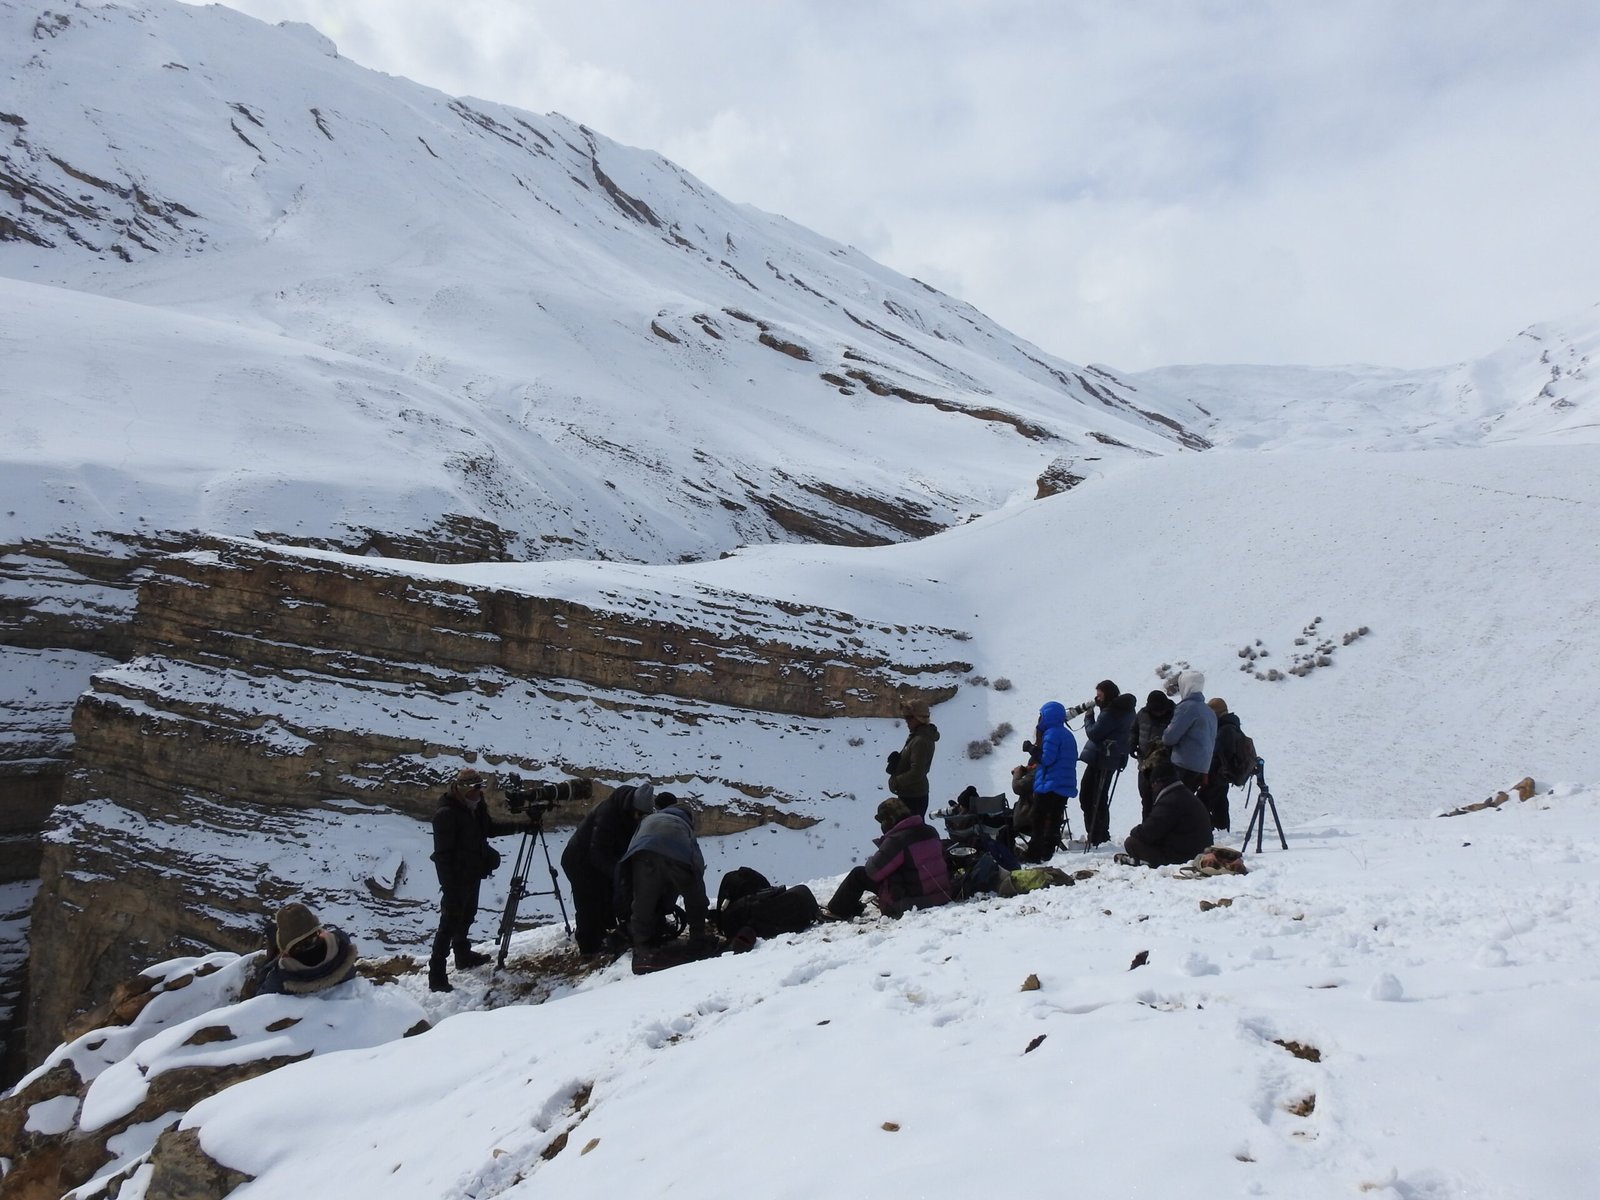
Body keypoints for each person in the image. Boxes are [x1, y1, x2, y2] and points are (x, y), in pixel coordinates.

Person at [428, 766, 519, 992]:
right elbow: (442, 856)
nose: (479, 794)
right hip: (455, 878)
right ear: (462, 790)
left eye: (480, 789)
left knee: (468, 914)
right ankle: (436, 975)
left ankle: (462, 955)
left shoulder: (476, 807)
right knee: (448, 924)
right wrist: (449, 888)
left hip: (472, 872)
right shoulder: (446, 814)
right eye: (475, 790)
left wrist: (522, 826)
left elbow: (489, 829)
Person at [560, 780, 655, 956]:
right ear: (632, 807)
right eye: (639, 814)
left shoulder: (631, 811)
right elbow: (597, 852)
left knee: (607, 895)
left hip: (603, 858)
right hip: (579, 859)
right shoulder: (608, 815)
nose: (640, 818)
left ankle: (604, 934)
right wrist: (619, 872)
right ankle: (589, 948)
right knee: (589, 902)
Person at [826, 797, 953, 919]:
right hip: (941, 895)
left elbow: (873, 872)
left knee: (858, 874)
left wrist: (881, 849)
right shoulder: (931, 831)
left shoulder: (896, 840)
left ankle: (837, 910)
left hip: (912, 903)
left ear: (889, 820)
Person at [615, 792, 711, 951]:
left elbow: (632, 847)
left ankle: (642, 945)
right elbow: (696, 860)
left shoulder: (649, 819)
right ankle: (698, 938)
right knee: (693, 896)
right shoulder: (683, 823)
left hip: (643, 853)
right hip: (678, 854)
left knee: (642, 902)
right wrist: (696, 884)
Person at [1077, 680, 1136, 847]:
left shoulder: (1111, 712)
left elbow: (1094, 733)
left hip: (1101, 757)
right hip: (1113, 758)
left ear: (1107, 695)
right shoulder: (1127, 710)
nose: (1097, 699)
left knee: (1089, 797)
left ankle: (1096, 836)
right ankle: (1101, 834)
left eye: (1100, 695)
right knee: (1100, 797)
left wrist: (1089, 717)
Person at [1120, 764, 1213, 867]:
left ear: (1158, 783)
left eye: (1153, 785)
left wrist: (1134, 831)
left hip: (1184, 856)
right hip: (1198, 851)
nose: (1152, 789)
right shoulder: (1182, 794)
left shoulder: (1169, 801)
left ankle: (1149, 862)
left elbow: (1148, 832)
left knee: (1131, 843)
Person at [258, 902, 358, 996]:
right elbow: (335, 935)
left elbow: (259, 999)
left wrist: (270, 961)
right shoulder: (341, 943)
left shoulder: (279, 979)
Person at [1021, 701, 1076, 861]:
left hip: (1050, 783)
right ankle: (1048, 852)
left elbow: (1047, 759)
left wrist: (1031, 749)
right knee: (1054, 820)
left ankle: (1034, 854)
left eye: (1042, 715)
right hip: (1064, 784)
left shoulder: (1052, 733)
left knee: (1038, 819)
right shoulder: (1066, 734)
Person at [1161, 669, 1217, 791]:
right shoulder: (1210, 712)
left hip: (1183, 764)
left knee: (1173, 799)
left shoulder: (1187, 707)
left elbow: (1169, 738)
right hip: (1201, 768)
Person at [885, 696, 939, 817]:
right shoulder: (918, 736)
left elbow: (917, 772)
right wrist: (899, 761)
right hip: (912, 794)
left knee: (911, 827)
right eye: (905, 717)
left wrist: (896, 781)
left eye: (909, 717)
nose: (906, 721)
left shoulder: (920, 740)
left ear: (919, 718)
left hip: (913, 797)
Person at [1129, 689, 1176, 822]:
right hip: (1145, 765)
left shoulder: (1174, 716)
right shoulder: (1142, 714)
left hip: (1164, 766)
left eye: (1160, 710)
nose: (1158, 713)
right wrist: (1132, 744)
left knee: (1162, 801)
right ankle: (1147, 828)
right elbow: (1133, 730)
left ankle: (1160, 829)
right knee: (1146, 799)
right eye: (1155, 710)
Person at [1202, 697, 1247, 830]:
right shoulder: (1231, 725)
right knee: (1220, 802)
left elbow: (1219, 754)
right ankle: (1222, 829)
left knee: (1201, 803)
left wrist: (1206, 772)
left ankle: (1209, 830)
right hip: (1224, 775)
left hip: (1218, 774)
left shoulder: (1225, 729)